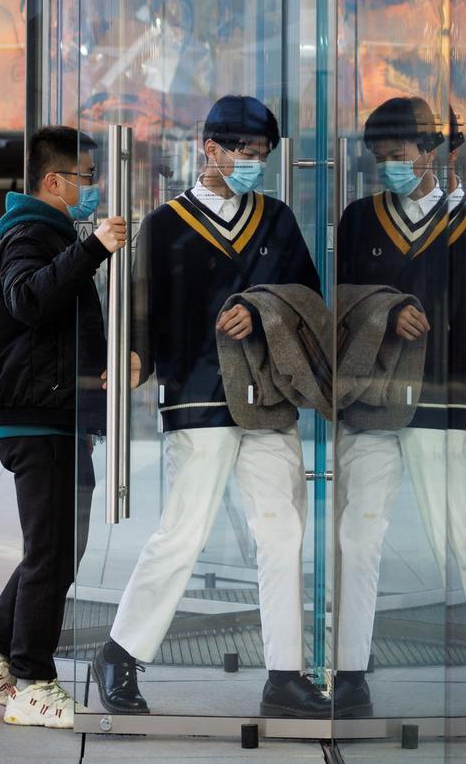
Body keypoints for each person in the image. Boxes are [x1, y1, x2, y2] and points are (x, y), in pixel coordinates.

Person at [92, 95, 328, 718]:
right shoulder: (164, 225)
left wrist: (261, 310)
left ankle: (284, 674)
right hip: (197, 395)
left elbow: (308, 298)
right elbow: (141, 308)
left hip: (269, 399)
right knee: (183, 533)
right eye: (242, 152)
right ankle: (120, 653)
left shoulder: (277, 220)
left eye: (261, 154)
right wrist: (137, 358)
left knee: (283, 535)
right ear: (210, 149)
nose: (252, 163)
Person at [334, 96, 466, 717]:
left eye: (399, 156)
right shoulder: (358, 221)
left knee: (460, 537)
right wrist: (385, 311)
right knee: (356, 536)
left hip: (448, 405)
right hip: (373, 401)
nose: (390, 168)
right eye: (380, 159)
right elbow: (336, 303)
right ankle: (349, 670)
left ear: (432, 150)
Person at [0, 125, 128, 729]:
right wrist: (95, 248)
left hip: (56, 413)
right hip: (38, 416)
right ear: (54, 181)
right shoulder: (32, 233)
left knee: (55, 548)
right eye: (86, 177)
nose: (93, 189)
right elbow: (28, 299)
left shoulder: (50, 233)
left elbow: (60, 323)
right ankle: (32, 680)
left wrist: (105, 362)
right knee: (54, 550)